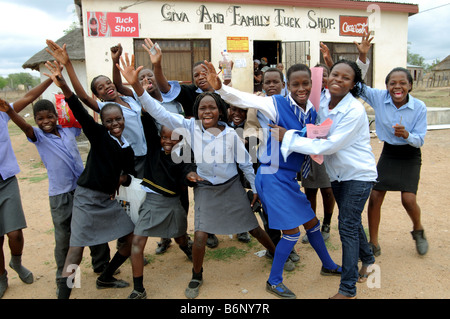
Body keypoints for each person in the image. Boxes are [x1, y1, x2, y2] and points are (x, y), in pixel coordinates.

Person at [116, 53, 276, 299]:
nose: (208, 111)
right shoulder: (189, 127)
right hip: (206, 189)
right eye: (203, 107)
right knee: (200, 235)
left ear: (220, 111)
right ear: (196, 112)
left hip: (232, 186)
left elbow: (245, 165)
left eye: (212, 107)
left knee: (253, 228)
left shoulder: (231, 135)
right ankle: (197, 275)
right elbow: (158, 111)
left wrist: (255, 190)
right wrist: (136, 86)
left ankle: (275, 254)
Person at [202, 61, 342, 299]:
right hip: (272, 176)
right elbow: (246, 99)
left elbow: (320, 134)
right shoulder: (275, 104)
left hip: (288, 178)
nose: (301, 88)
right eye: (295, 84)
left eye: (305, 83)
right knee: (292, 234)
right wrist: (221, 89)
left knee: (312, 224)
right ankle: (274, 281)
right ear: (287, 86)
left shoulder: (311, 110)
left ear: (311, 84)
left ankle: (328, 264)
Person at [270, 59, 378, 299]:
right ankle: (369, 259)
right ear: (327, 78)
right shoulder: (325, 100)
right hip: (338, 174)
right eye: (335, 75)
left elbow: (330, 145)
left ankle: (348, 289)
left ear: (353, 84)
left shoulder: (354, 110)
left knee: (347, 225)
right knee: (352, 221)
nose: (338, 80)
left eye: (345, 78)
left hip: (358, 174)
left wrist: (288, 136)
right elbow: (309, 118)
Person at [0, 82, 111, 289]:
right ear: (35, 121)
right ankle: (67, 279)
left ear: (57, 116)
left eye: (50, 116)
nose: (46, 121)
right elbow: (23, 126)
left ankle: (101, 265)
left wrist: (74, 102)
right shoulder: (37, 136)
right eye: (40, 118)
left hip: (82, 190)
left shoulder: (69, 131)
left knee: (93, 226)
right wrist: (10, 112)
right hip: (59, 196)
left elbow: (81, 121)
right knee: (64, 238)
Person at [42, 62, 136, 299]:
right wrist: (62, 83)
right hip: (85, 199)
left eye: (118, 120)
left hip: (106, 201)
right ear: (103, 124)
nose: (114, 124)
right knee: (76, 250)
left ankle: (106, 276)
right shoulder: (99, 135)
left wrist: (122, 178)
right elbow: (78, 108)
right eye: (109, 121)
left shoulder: (127, 147)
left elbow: (129, 175)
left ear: (123, 118)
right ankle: (65, 294)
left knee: (130, 237)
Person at [143, 38, 227, 248]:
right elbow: (164, 86)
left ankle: (218, 228)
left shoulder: (223, 93)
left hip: (218, 149)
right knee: (189, 189)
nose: (200, 77)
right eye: (196, 75)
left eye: (204, 73)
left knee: (216, 188)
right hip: (191, 149)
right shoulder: (189, 92)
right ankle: (188, 231)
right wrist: (157, 64)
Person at [354, 35, 428, 256]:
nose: (397, 86)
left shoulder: (419, 107)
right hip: (390, 153)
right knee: (375, 197)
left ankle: (418, 230)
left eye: (402, 83)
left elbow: (420, 139)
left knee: (408, 199)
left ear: (410, 86)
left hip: (410, 154)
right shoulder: (378, 97)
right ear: (386, 86)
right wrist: (363, 54)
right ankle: (373, 243)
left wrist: (407, 135)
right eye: (392, 83)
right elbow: (356, 86)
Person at [111, 43, 188, 255]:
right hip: (153, 159)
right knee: (154, 196)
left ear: (156, 78)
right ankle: (164, 237)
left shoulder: (173, 101)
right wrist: (116, 62)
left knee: (181, 196)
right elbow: (119, 86)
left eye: (149, 77)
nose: (146, 81)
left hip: (178, 156)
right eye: (141, 78)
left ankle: (182, 235)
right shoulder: (137, 101)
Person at [45, 39, 147, 178]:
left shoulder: (130, 98)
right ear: (99, 96)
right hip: (130, 156)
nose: (107, 87)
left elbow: (118, 83)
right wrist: (68, 64)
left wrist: (115, 61)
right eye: (101, 88)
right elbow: (84, 97)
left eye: (108, 83)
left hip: (149, 152)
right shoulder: (106, 108)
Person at [128, 114, 200, 299]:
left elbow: (188, 169)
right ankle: (138, 289)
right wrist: (143, 101)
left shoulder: (184, 155)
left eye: (174, 138)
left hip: (173, 204)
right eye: (164, 137)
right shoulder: (153, 148)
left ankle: (186, 248)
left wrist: (191, 175)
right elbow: (147, 121)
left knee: (180, 238)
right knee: (137, 242)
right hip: (151, 204)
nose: (168, 141)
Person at [0, 78, 54, 298]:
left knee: (14, 233)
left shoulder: (2, 113)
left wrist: (52, 78)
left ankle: (16, 261)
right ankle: (2, 276)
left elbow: (29, 96)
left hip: (6, 180)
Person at [244, 67, 300, 271]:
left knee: (287, 207)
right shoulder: (257, 105)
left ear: (283, 85)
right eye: (267, 82)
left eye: (276, 81)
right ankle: (276, 248)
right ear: (262, 85)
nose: (271, 85)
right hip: (266, 164)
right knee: (269, 210)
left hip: (286, 164)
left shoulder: (290, 105)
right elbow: (250, 129)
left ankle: (289, 247)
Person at [301, 63, 336, 244]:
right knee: (310, 191)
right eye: (317, 75)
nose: (321, 79)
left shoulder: (333, 97)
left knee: (328, 190)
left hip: (327, 149)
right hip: (309, 147)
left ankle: (327, 225)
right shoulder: (305, 95)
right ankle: (312, 227)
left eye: (325, 75)